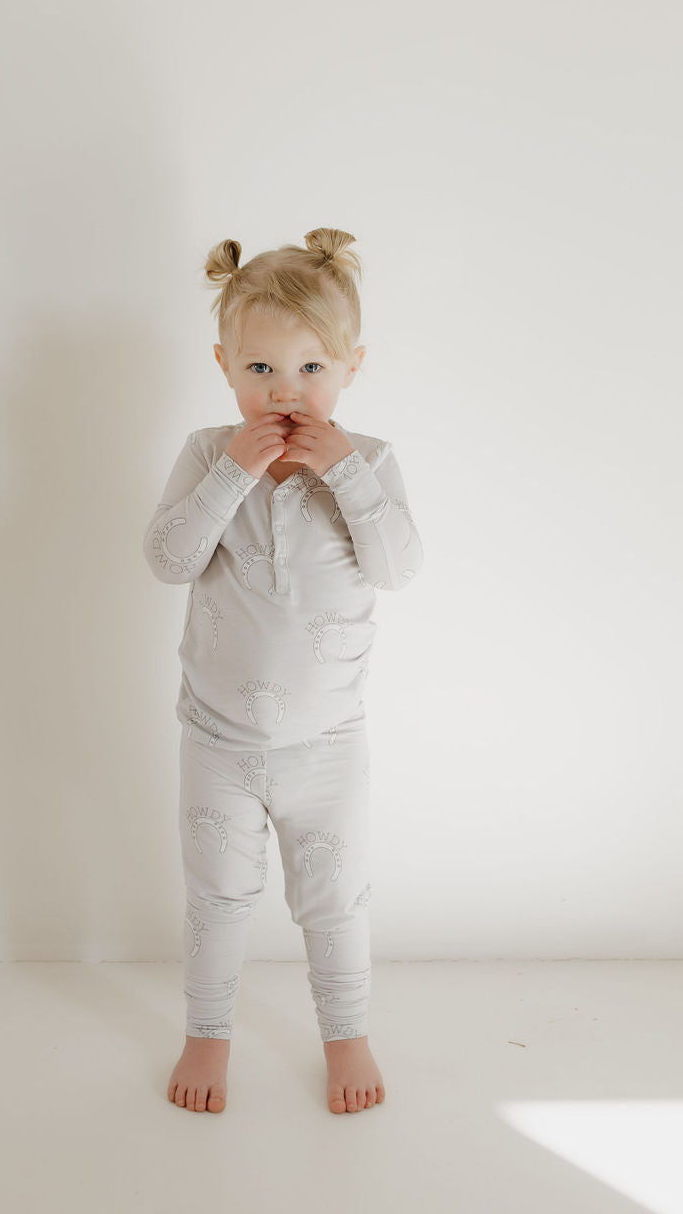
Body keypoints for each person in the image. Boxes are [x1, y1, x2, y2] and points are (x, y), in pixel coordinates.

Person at [142, 226, 424, 1115]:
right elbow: (167, 558)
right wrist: (232, 474)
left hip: (326, 743)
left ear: (351, 366)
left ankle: (347, 1038)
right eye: (261, 370)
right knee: (217, 900)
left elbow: (399, 568)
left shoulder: (368, 462)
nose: (286, 392)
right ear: (226, 365)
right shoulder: (207, 453)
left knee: (335, 902)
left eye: (311, 369)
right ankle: (206, 1035)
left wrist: (345, 475)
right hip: (217, 736)